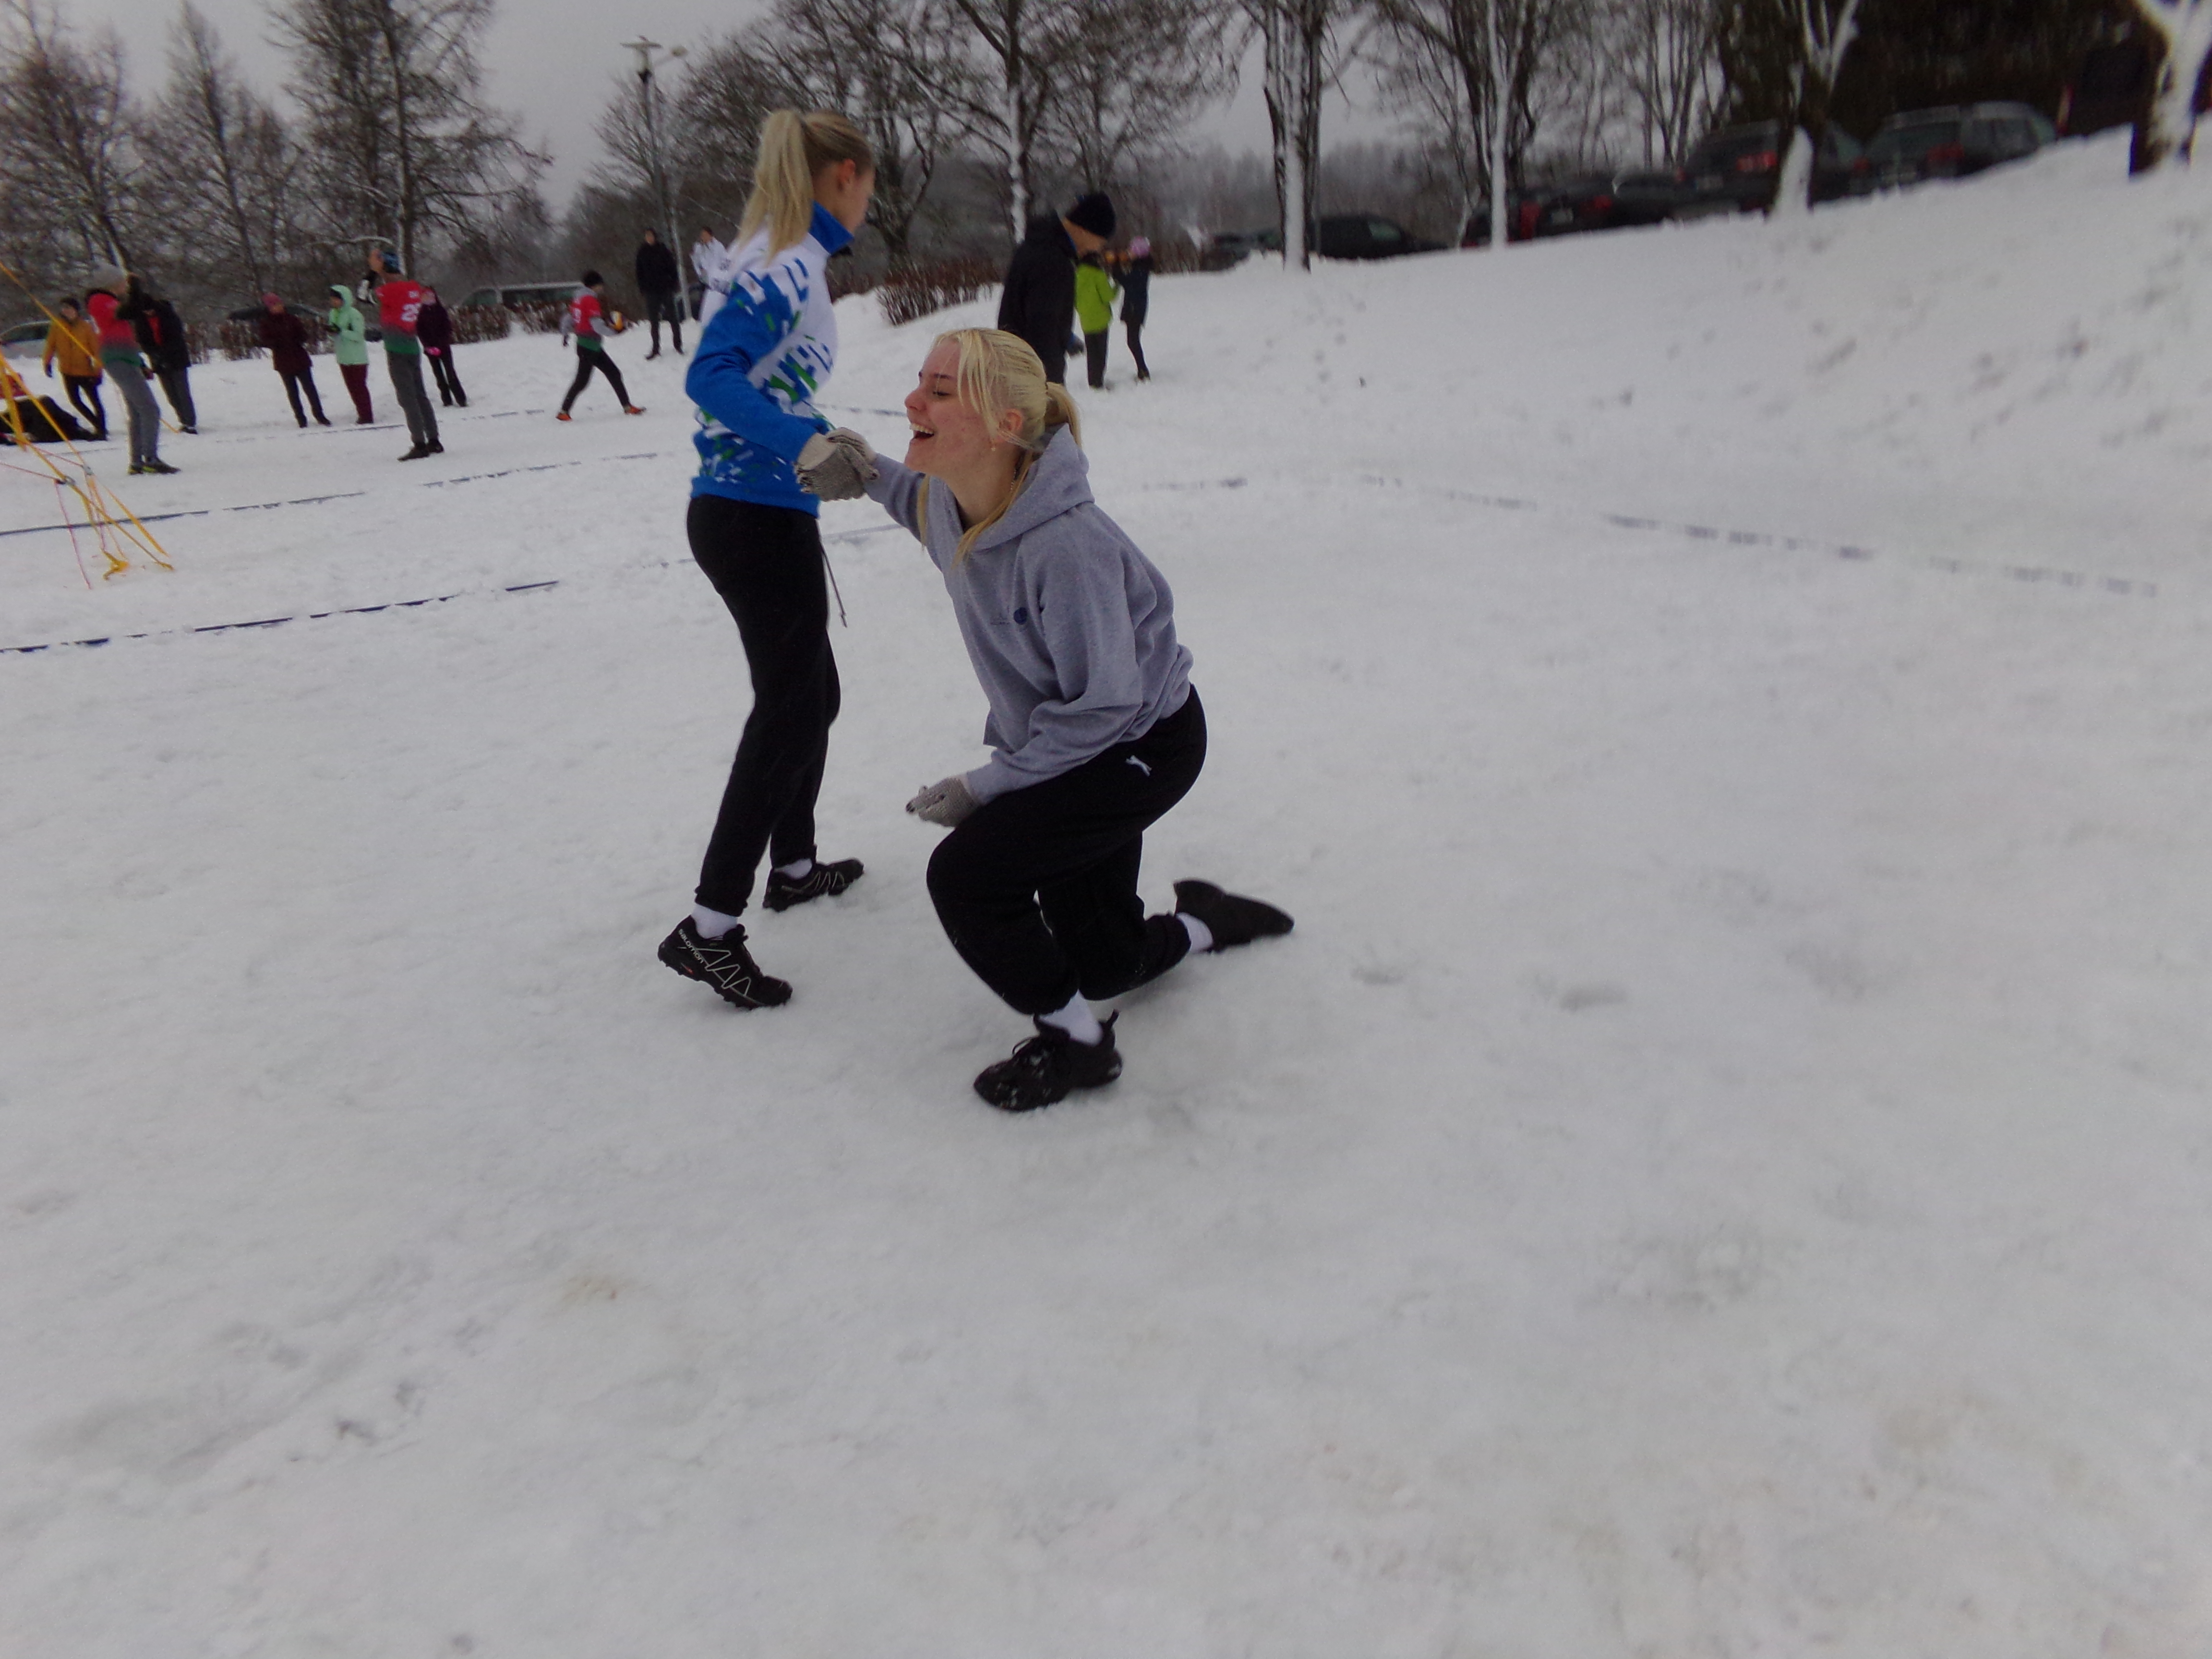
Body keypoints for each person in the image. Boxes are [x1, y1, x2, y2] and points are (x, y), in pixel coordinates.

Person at [828, 327, 1291, 1109]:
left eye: (940, 392)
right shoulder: (952, 502)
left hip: (1140, 745)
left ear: (1007, 426)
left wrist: (988, 786)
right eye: (919, 382)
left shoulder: (1066, 547)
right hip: (1075, 741)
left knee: (970, 877)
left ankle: (1078, 1046)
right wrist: (865, 470)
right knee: (1108, 963)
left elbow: (1106, 707)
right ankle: (1207, 924)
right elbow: (913, 499)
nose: (912, 401)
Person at [653, 108, 877, 1010]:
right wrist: (801, 443)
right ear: (845, 176)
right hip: (751, 518)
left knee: (812, 698)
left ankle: (794, 866)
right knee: (789, 710)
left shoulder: (777, 255)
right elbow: (709, 377)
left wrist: (816, 431)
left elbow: (760, 382)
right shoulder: (786, 265)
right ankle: (709, 929)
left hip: (756, 512)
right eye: (868, 184)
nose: (868, 201)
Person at [997, 192, 1113, 387]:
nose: (1097, 249)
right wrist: (1053, 390)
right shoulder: (1054, 261)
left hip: (1014, 368)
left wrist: (1065, 336)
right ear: (1085, 231)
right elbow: (1042, 329)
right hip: (1031, 379)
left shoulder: (1037, 247)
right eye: (1100, 242)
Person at [84, 267, 174, 475]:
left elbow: (131, 314)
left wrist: (139, 363)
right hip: (117, 358)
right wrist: (135, 287)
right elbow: (130, 311)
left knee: (137, 411)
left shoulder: (110, 301)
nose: (124, 286)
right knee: (150, 409)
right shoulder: (100, 300)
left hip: (127, 357)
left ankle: (137, 461)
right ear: (112, 283)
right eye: (122, 282)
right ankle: (150, 458)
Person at [368, 248, 440, 459]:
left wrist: (373, 272)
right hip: (412, 345)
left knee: (407, 398)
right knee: (420, 395)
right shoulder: (413, 287)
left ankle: (419, 443)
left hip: (396, 348)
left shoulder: (389, 290)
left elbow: (363, 295)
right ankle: (434, 440)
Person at [556, 271, 643, 420]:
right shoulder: (590, 300)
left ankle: (627, 407)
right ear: (595, 285)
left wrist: (565, 334)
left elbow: (568, 318)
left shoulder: (578, 298)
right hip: (589, 346)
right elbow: (596, 325)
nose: (602, 288)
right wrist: (614, 332)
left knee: (613, 374)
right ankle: (564, 412)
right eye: (601, 285)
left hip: (588, 345)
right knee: (582, 381)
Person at [255, 294, 330, 428]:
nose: (279, 307)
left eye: (280, 304)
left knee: (310, 389)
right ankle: (301, 418)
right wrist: (278, 342)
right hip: (283, 361)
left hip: (300, 358)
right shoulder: (266, 323)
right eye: (275, 305)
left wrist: (298, 338)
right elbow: (265, 340)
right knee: (293, 392)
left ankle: (320, 415)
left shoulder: (291, 319)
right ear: (270, 308)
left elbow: (303, 335)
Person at [133, 282, 197, 434]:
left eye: (150, 310)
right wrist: (154, 354)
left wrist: (165, 353)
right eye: (145, 311)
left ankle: (190, 423)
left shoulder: (168, 315)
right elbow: (143, 340)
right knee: (171, 395)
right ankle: (182, 419)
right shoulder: (141, 321)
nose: (148, 313)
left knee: (182, 392)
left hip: (177, 358)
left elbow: (177, 338)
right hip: (158, 360)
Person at [42, 298, 106, 439]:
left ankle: (102, 429)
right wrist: (47, 362)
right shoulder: (58, 326)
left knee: (95, 401)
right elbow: (51, 345)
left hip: (85, 371)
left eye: (69, 308)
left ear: (76, 310)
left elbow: (97, 350)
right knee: (75, 401)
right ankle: (97, 424)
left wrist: (98, 371)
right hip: (67, 371)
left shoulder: (86, 327)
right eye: (64, 308)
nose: (66, 311)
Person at [327, 283, 373, 423]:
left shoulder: (354, 314)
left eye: (336, 299)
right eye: (332, 299)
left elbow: (359, 336)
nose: (334, 302)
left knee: (360, 387)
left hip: (357, 358)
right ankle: (361, 413)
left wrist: (341, 331)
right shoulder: (333, 314)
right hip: (343, 357)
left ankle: (367, 415)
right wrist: (331, 332)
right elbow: (334, 335)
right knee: (352, 388)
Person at [1074, 248, 1119, 391]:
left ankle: (1092, 380)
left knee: (1091, 353)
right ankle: (1098, 382)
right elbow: (1108, 297)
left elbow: (1074, 299)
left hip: (1086, 320)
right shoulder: (1098, 274)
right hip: (1101, 319)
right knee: (1101, 353)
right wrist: (1117, 286)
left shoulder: (1076, 275)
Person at [635, 228, 684, 358]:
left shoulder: (663, 250)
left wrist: (673, 285)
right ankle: (656, 348)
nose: (649, 238)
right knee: (654, 322)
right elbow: (639, 272)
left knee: (673, 318)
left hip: (665, 289)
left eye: (651, 236)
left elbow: (672, 268)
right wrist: (643, 288)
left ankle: (678, 345)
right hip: (651, 292)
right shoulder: (642, 252)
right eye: (647, 236)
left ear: (655, 237)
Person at [417, 286, 467, 408]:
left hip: (444, 348)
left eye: (431, 296)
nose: (429, 299)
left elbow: (447, 329)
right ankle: (446, 399)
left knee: (450, 373)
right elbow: (421, 331)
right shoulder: (421, 313)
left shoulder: (441, 311)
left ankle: (461, 399)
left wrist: (441, 345)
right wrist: (428, 346)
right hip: (430, 349)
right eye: (425, 297)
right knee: (438, 375)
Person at [1119, 235, 1152, 382]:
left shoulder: (1140, 269)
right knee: (1133, 340)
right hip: (1135, 307)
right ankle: (1142, 369)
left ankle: (1143, 370)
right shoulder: (1139, 267)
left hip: (1135, 308)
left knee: (1133, 341)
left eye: (1131, 251)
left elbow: (1128, 284)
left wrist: (1116, 270)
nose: (1129, 253)